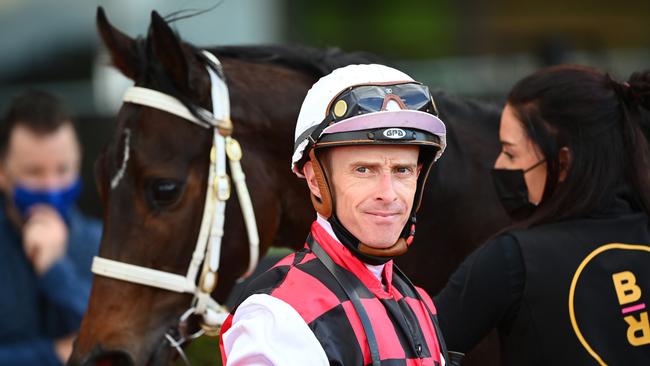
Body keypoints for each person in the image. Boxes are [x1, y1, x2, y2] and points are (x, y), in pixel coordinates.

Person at [220, 64, 452, 365]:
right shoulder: (277, 314)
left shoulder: (418, 301)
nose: (389, 193)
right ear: (316, 179)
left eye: (402, 170)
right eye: (364, 170)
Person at [435, 65, 650, 365]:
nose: (499, 165)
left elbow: (412, 349)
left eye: (510, 153)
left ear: (562, 163)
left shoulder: (512, 259)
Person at [0, 91, 102, 365]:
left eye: (63, 169)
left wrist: (54, 268)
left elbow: (108, 342)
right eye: (34, 172)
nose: (51, 187)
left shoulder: (102, 245)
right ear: (2, 171)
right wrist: (53, 355)